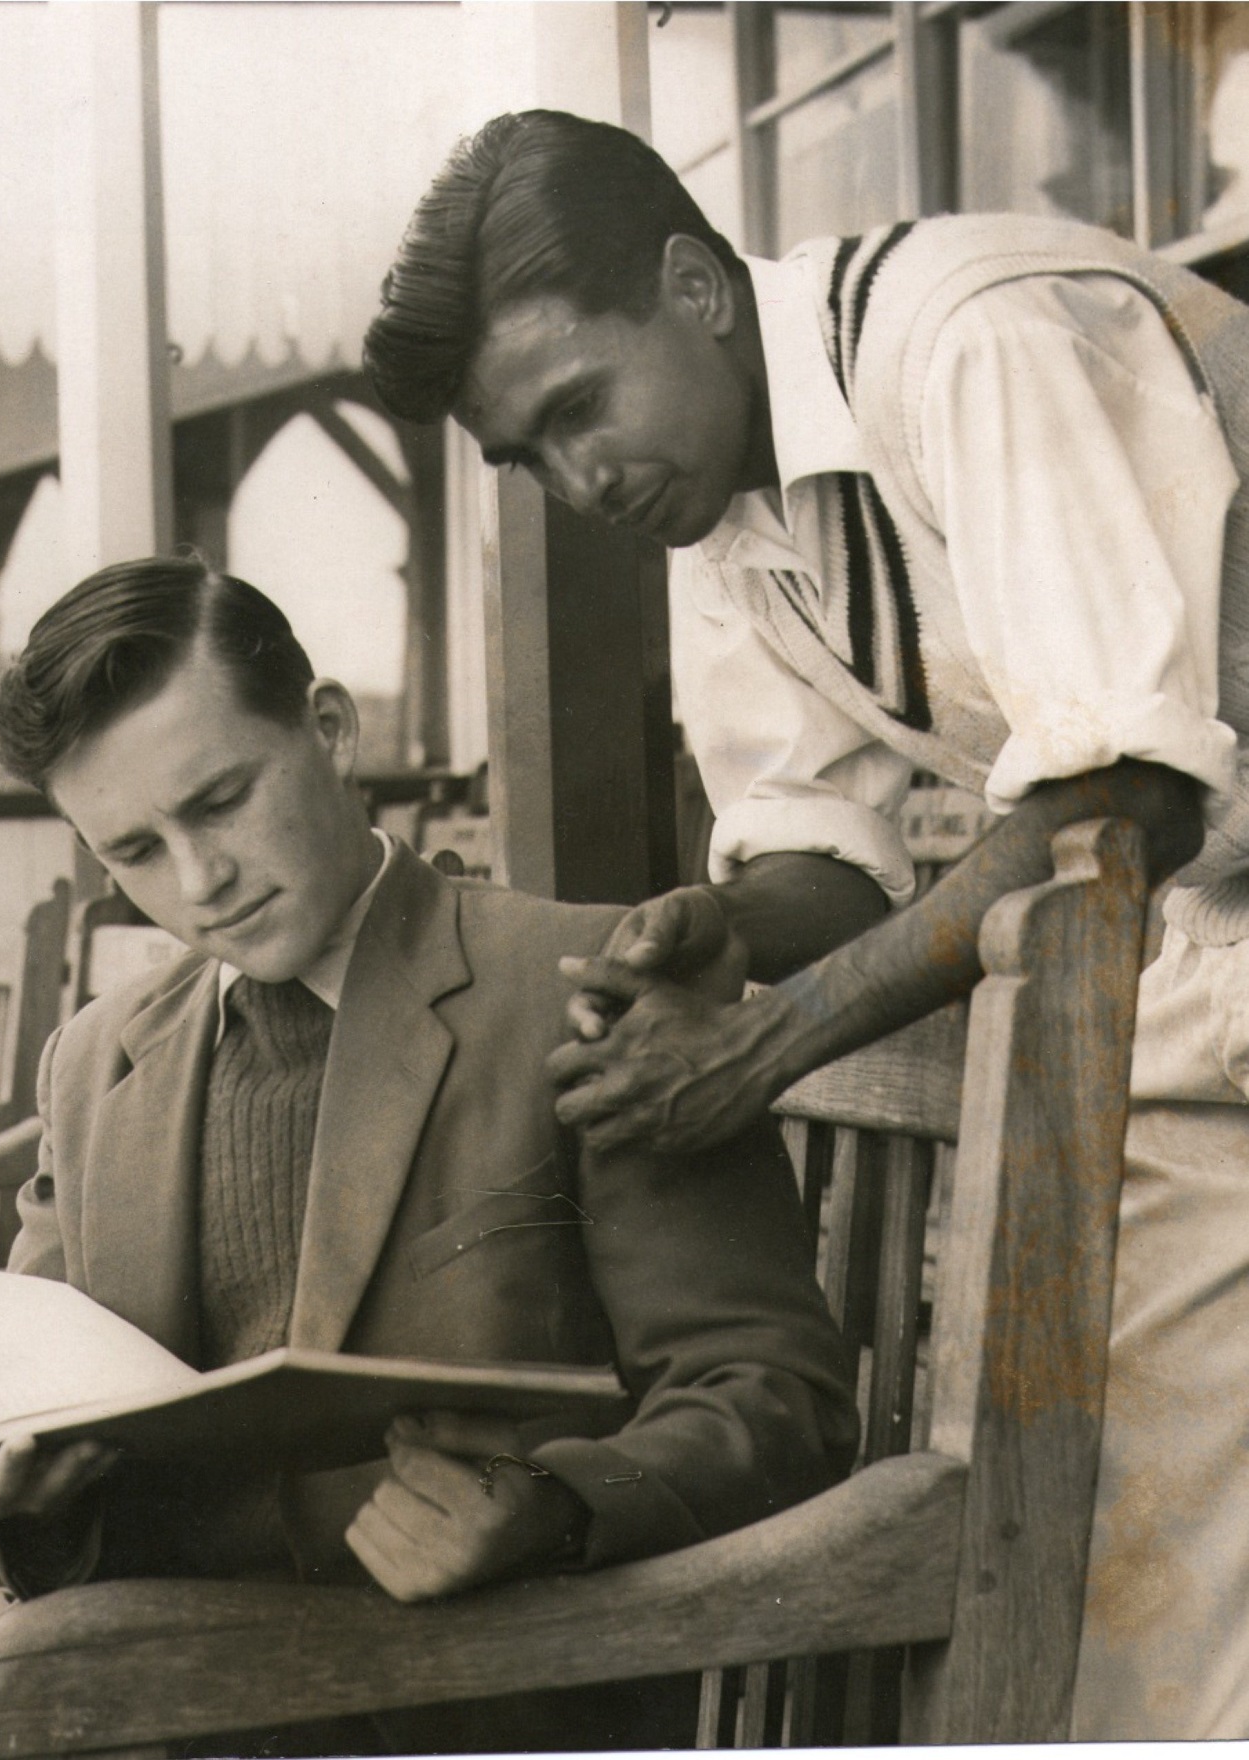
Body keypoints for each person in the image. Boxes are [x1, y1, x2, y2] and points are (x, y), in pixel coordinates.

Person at [363, 110, 1249, 1739]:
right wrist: (715, 926)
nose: (580, 480)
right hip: (1185, 978)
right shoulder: (719, 512)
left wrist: (767, 1040)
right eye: (525, 457)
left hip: (1171, 911)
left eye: (577, 410)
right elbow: (823, 864)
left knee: (1166, 1642)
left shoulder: (969, 333)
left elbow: (1118, 804)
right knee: (1126, 1634)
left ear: (693, 287)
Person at [0, 557, 856, 1759]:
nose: (200, 883)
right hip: (122, 1673)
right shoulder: (99, 1060)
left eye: (220, 801)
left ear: (328, 727)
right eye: (136, 852)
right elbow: (38, 1427)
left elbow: (779, 1399)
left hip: (446, 1687)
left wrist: (556, 1505)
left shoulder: (576, 988)